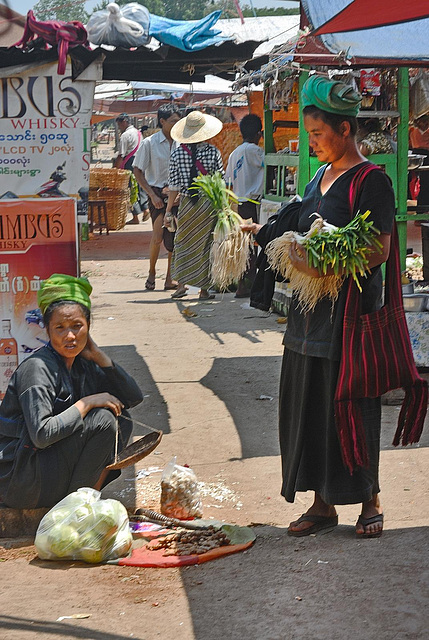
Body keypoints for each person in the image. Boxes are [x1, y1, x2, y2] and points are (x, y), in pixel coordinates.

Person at [242, 75, 395, 538]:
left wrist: (322, 260)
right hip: (308, 316)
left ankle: (369, 499)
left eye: (319, 134)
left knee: (350, 404)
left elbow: (380, 249)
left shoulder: (372, 182)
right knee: (308, 403)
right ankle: (321, 503)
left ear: (345, 130)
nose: (314, 143)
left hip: (349, 316)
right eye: (310, 136)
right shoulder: (318, 175)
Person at [0, 274, 143, 509]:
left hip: (43, 467)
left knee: (120, 416)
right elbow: (42, 435)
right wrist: (86, 403)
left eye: (77, 326)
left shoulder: (82, 363)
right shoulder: (38, 369)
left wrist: (98, 354)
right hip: (20, 478)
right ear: (47, 330)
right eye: (60, 328)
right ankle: (76, 507)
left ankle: (85, 497)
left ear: (88, 327)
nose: (70, 336)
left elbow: (132, 397)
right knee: (104, 420)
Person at [165, 110, 224, 300]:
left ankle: (181, 285)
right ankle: (204, 290)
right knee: (205, 244)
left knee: (182, 242)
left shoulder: (176, 154)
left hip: (187, 204)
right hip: (208, 204)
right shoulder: (213, 152)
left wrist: (168, 211)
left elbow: (173, 186)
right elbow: (220, 181)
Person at [133, 106, 181, 290]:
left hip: (175, 196)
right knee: (157, 236)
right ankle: (152, 271)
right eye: (173, 121)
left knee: (173, 238)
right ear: (162, 122)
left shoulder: (181, 143)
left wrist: (177, 194)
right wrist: (152, 195)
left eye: (178, 121)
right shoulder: (149, 143)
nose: (176, 124)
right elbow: (137, 170)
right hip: (158, 195)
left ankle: (170, 277)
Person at [225, 114, 264, 297]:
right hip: (254, 203)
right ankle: (251, 284)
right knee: (255, 245)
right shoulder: (255, 151)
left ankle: (243, 283)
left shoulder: (234, 153)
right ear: (259, 134)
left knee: (245, 245)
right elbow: (268, 164)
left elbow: (228, 180)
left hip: (240, 204)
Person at [114, 113, 142, 225]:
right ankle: (145, 210)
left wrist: (116, 168)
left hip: (129, 163)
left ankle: (135, 216)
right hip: (140, 162)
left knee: (130, 189)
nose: (119, 127)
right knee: (140, 187)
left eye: (119, 124)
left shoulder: (125, 135)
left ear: (124, 122)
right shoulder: (138, 133)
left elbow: (121, 154)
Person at [409, 114, 429, 212]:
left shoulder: (412, 130)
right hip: (424, 155)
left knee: (423, 183)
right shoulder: (414, 130)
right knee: (425, 183)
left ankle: (421, 211)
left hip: (416, 154)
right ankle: (422, 211)